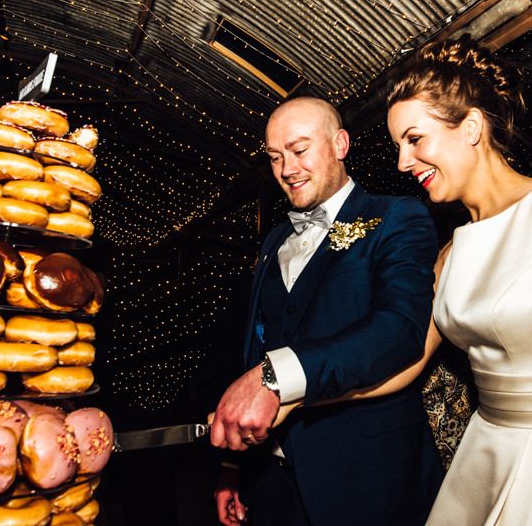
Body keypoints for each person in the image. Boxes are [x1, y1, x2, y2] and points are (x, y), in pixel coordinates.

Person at [211, 96, 444, 525]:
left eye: (300, 150)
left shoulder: (396, 217)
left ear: (340, 144)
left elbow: (398, 331)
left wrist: (275, 378)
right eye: (276, 157)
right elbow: (258, 345)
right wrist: (235, 468)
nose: (287, 169)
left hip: (367, 481)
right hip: (274, 484)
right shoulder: (272, 240)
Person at [387, 35, 532, 524]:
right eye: (398, 146)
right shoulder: (450, 252)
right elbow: (404, 360)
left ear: (470, 126)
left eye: (414, 139)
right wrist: (288, 396)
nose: (403, 162)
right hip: (483, 455)